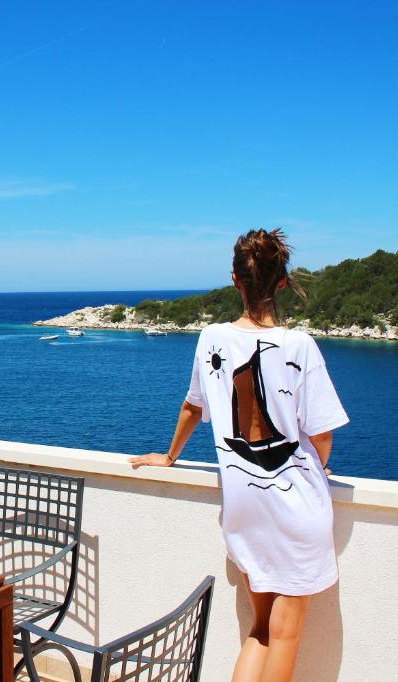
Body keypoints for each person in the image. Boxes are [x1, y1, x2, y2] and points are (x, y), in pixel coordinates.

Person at [129, 228, 348, 682]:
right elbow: (321, 435)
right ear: (283, 282)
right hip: (295, 508)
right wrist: (320, 466)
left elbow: (193, 406)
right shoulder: (299, 345)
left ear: (236, 280)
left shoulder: (211, 337)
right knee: (286, 636)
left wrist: (169, 457)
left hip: (245, 510)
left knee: (260, 630)